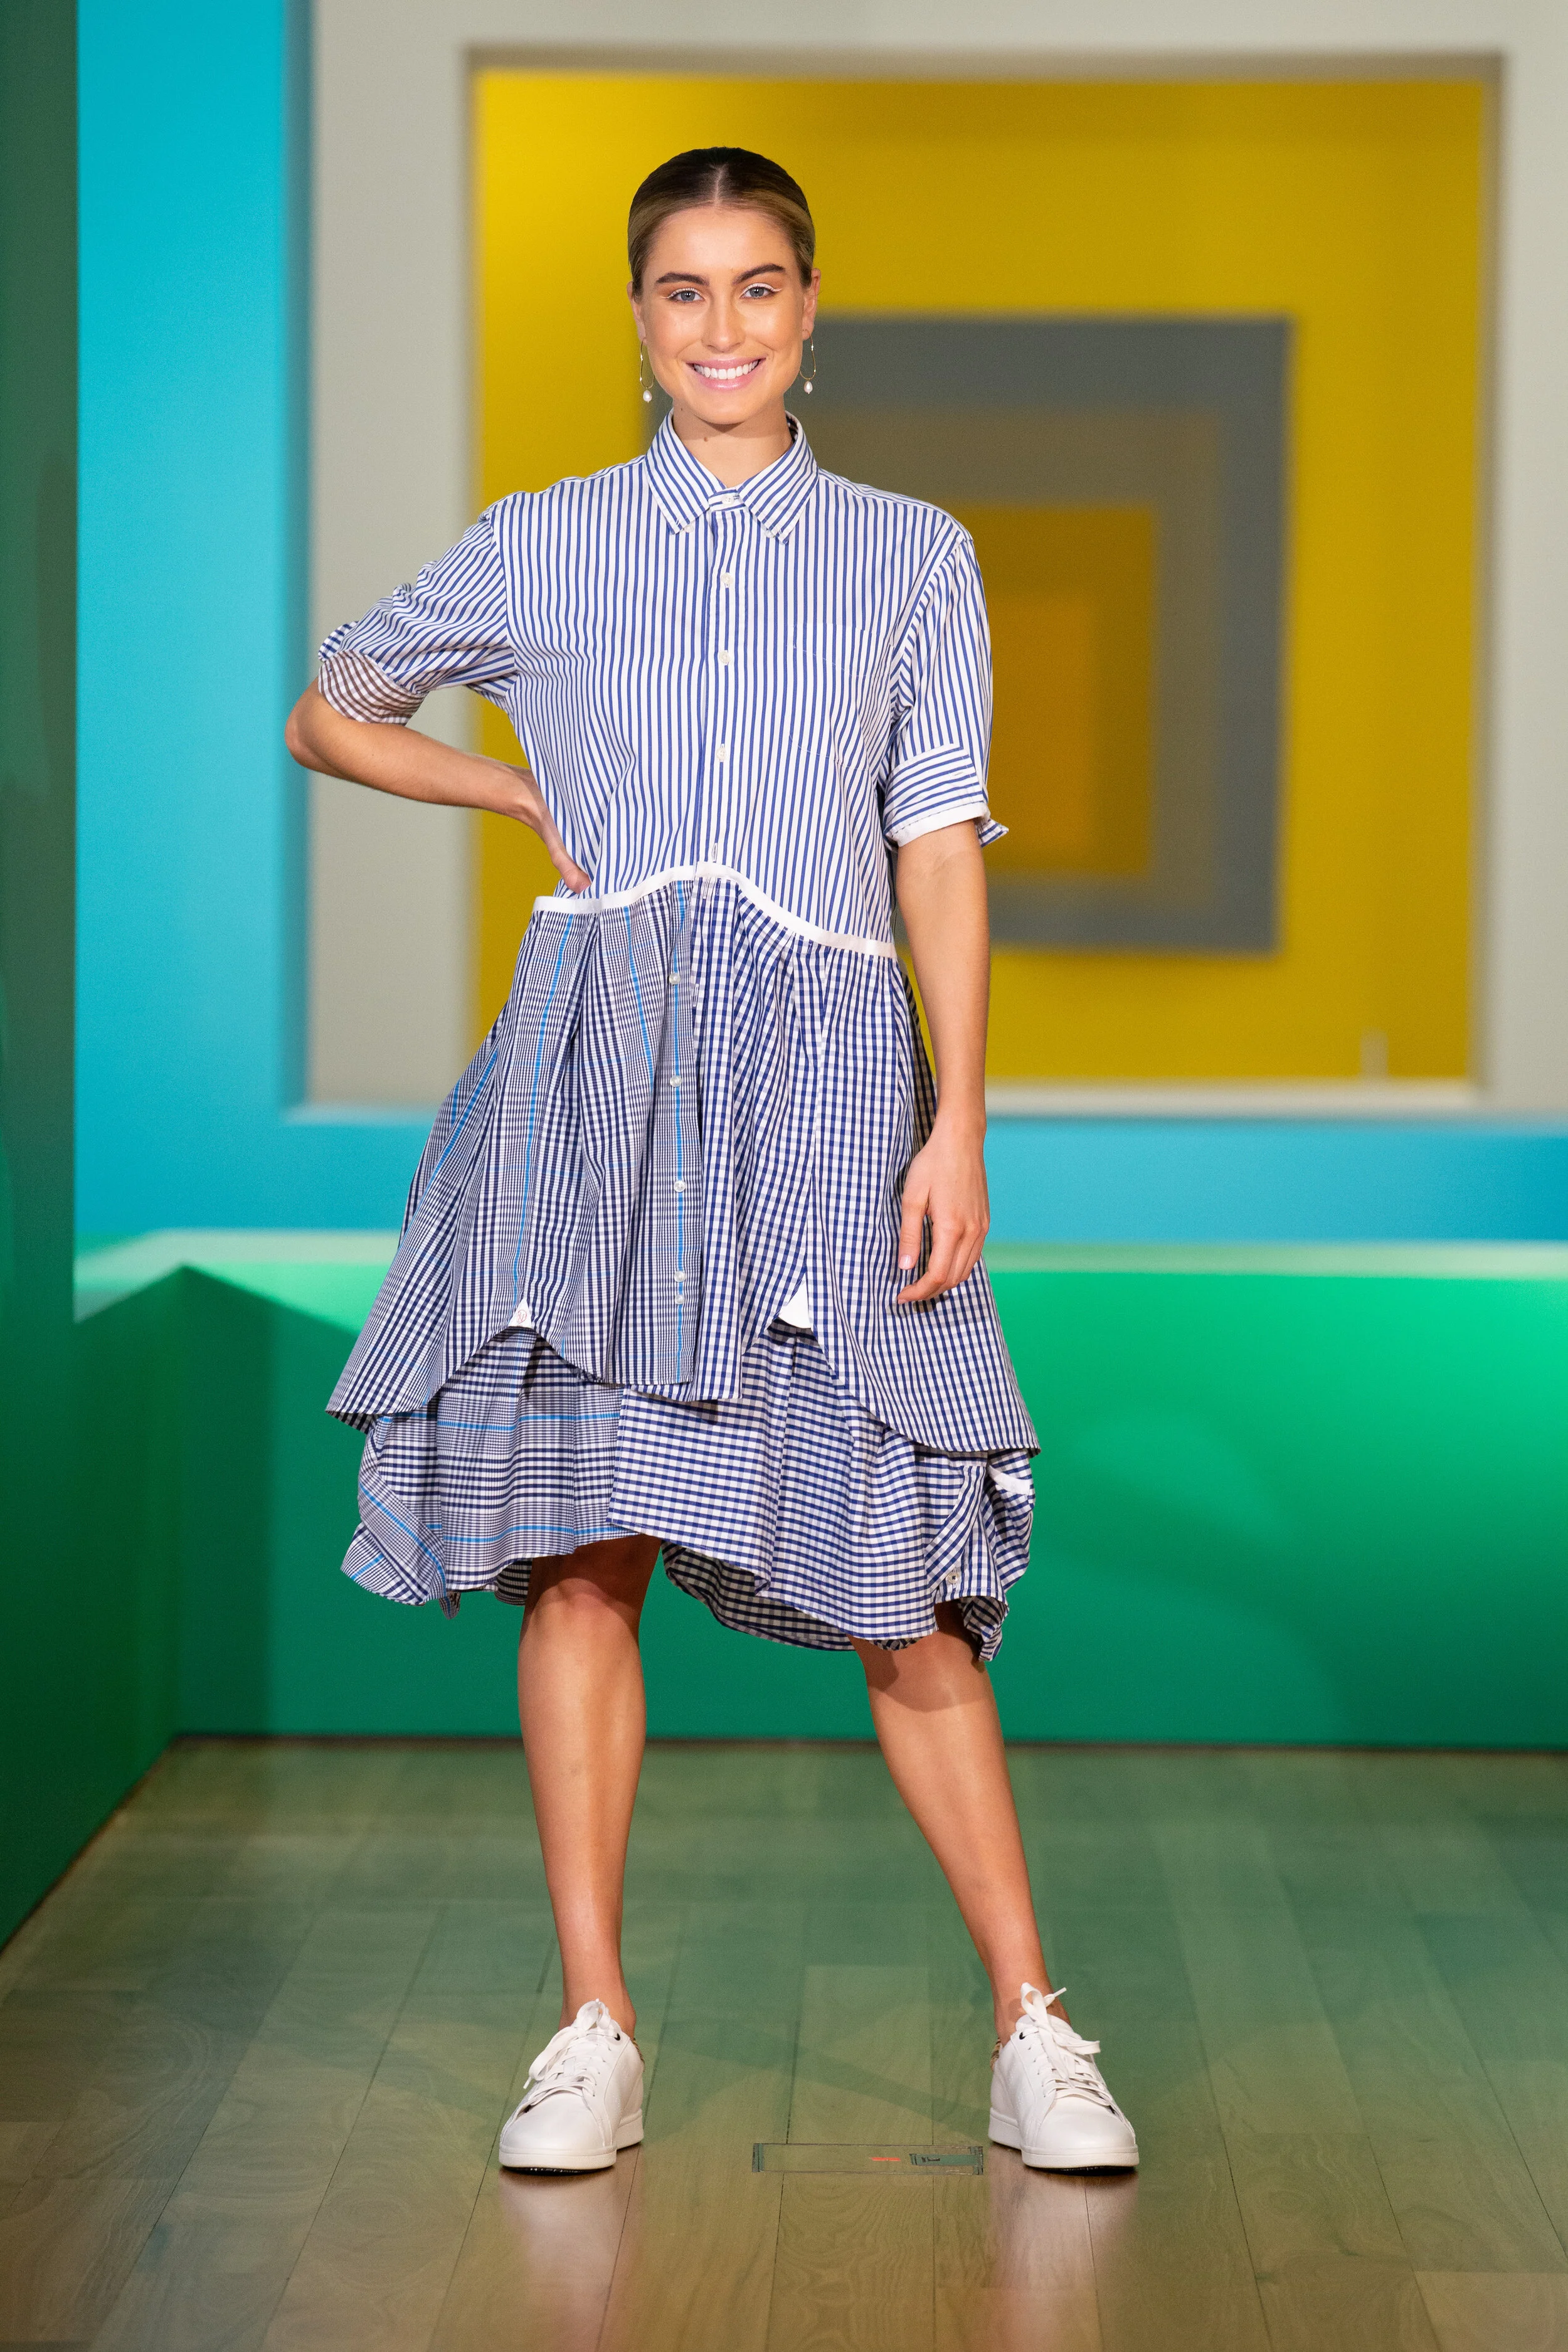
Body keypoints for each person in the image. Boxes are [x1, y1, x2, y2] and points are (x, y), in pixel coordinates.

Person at [285, 146, 1136, 2177]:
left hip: (835, 1075)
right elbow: (331, 710)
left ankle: (1033, 2023)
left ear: (810, 307)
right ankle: (590, 2022)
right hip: (595, 1067)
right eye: (685, 291)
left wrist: (962, 1113)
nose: (724, 328)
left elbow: (936, 840)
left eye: (760, 288)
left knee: (905, 1574)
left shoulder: (909, 552)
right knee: (584, 1551)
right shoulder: (548, 541)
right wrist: (507, 783)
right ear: (640, 314)